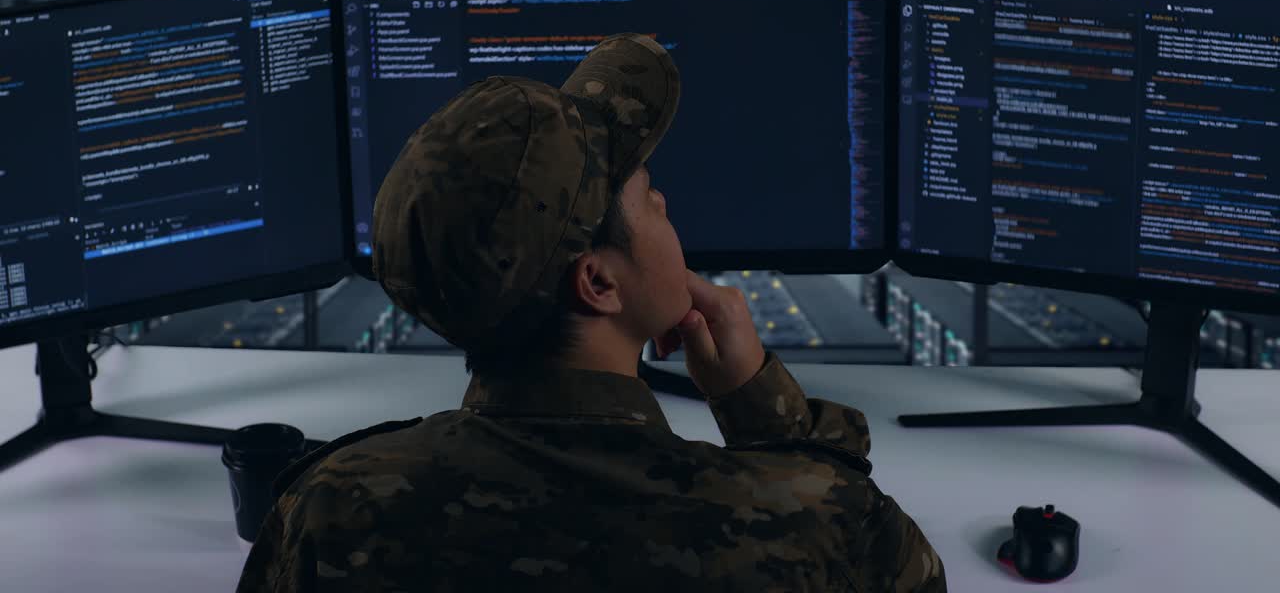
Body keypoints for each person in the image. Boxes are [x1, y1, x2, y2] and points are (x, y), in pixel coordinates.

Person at [237, 33, 946, 592]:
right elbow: (896, 564)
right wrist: (757, 401)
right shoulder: (805, 522)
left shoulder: (328, 511)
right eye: (649, 195)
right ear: (599, 284)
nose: (667, 207)